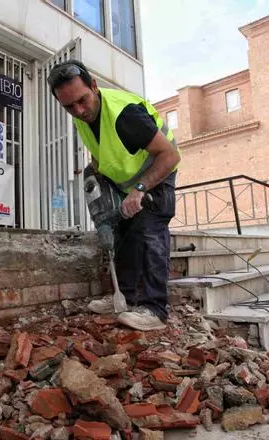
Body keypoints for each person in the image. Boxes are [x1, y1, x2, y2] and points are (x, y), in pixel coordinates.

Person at [47, 61, 181, 331]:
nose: (79, 110)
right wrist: (99, 181)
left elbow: (170, 155)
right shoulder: (82, 118)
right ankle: (124, 297)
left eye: (82, 100)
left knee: (149, 232)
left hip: (158, 172)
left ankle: (155, 310)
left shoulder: (125, 115)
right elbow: (101, 153)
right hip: (127, 183)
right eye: (69, 107)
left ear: (94, 86)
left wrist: (140, 190)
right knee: (123, 235)